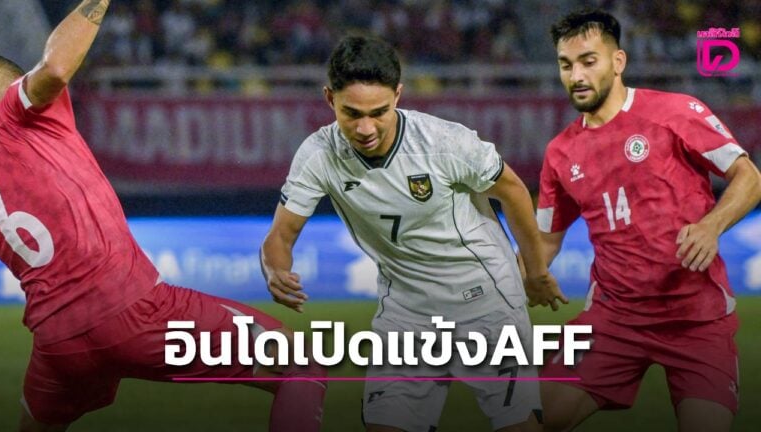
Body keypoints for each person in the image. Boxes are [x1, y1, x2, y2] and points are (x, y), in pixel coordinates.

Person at [0, 1, 326, 431]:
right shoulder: (15, 113)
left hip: (58, 345)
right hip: (133, 312)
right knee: (301, 364)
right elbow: (55, 69)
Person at [261, 34, 562, 432]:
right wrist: (275, 270)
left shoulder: (444, 143)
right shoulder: (318, 155)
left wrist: (536, 271)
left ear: (398, 96)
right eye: (352, 113)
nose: (365, 128)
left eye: (378, 112)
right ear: (329, 99)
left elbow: (514, 192)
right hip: (406, 311)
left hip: (485, 301)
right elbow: (280, 236)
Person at [536, 9, 761, 432]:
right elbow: (545, 242)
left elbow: (749, 177)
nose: (576, 75)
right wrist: (527, 274)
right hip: (613, 320)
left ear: (617, 61)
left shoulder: (675, 112)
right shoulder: (560, 153)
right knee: (530, 419)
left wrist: (711, 226)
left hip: (696, 319)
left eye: (588, 61)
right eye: (566, 65)